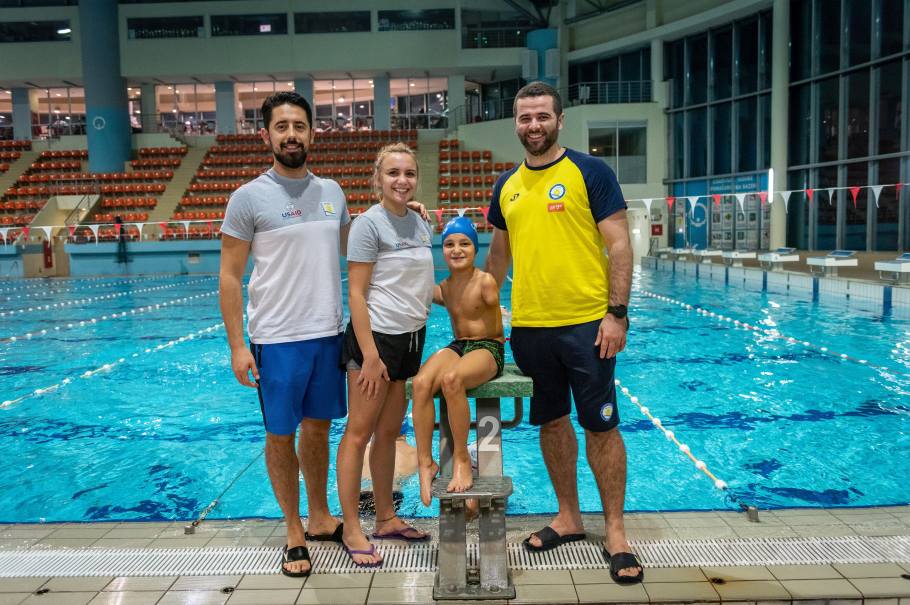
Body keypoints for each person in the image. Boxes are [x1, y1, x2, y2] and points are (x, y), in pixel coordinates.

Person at [484, 82, 643, 585]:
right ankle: (569, 516)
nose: (533, 125)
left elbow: (620, 246)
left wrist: (616, 314)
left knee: (601, 426)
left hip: (586, 325)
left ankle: (615, 533)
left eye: (542, 116)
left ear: (559, 120)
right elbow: (497, 257)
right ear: (515, 123)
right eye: (525, 117)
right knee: (552, 424)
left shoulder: (590, 172)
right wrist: (484, 320)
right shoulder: (506, 186)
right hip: (531, 328)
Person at [218, 91, 349, 578]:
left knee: (319, 428)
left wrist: (401, 210)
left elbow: (355, 249)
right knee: (280, 434)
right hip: (276, 339)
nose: (291, 135)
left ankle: (320, 517)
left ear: (312, 133)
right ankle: (293, 530)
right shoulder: (248, 198)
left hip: (328, 333)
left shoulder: (333, 192)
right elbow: (230, 276)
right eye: (281, 127)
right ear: (265, 136)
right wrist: (238, 346)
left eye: (299, 126)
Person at [336, 142, 434, 567]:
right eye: (393, 173)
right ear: (377, 178)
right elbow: (356, 295)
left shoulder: (420, 222)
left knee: (389, 434)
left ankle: (386, 518)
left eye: (409, 173)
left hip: (410, 341)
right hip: (375, 342)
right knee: (358, 434)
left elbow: (415, 284)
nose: (402, 180)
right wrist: (371, 356)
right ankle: (351, 527)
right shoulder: (368, 225)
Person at [411, 216, 505, 510]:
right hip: (460, 345)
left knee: (452, 380)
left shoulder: (486, 282)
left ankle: (462, 458)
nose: (456, 249)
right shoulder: (445, 288)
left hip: (488, 347)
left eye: (465, 243)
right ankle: (425, 462)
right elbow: (411, 283)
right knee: (421, 383)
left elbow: (501, 267)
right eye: (450, 244)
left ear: (475, 249)